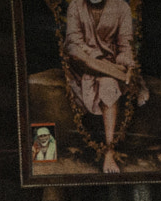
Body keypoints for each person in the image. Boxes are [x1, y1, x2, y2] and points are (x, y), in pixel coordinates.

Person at [62, 0, 147, 174]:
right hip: (83, 64)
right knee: (75, 52)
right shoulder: (76, 6)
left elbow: (125, 46)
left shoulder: (121, 7)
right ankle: (118, 74)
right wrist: (95, 58)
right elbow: (73, 41)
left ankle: (109, 152)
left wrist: (128, 64)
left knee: (109, 85)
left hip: (111, 64)